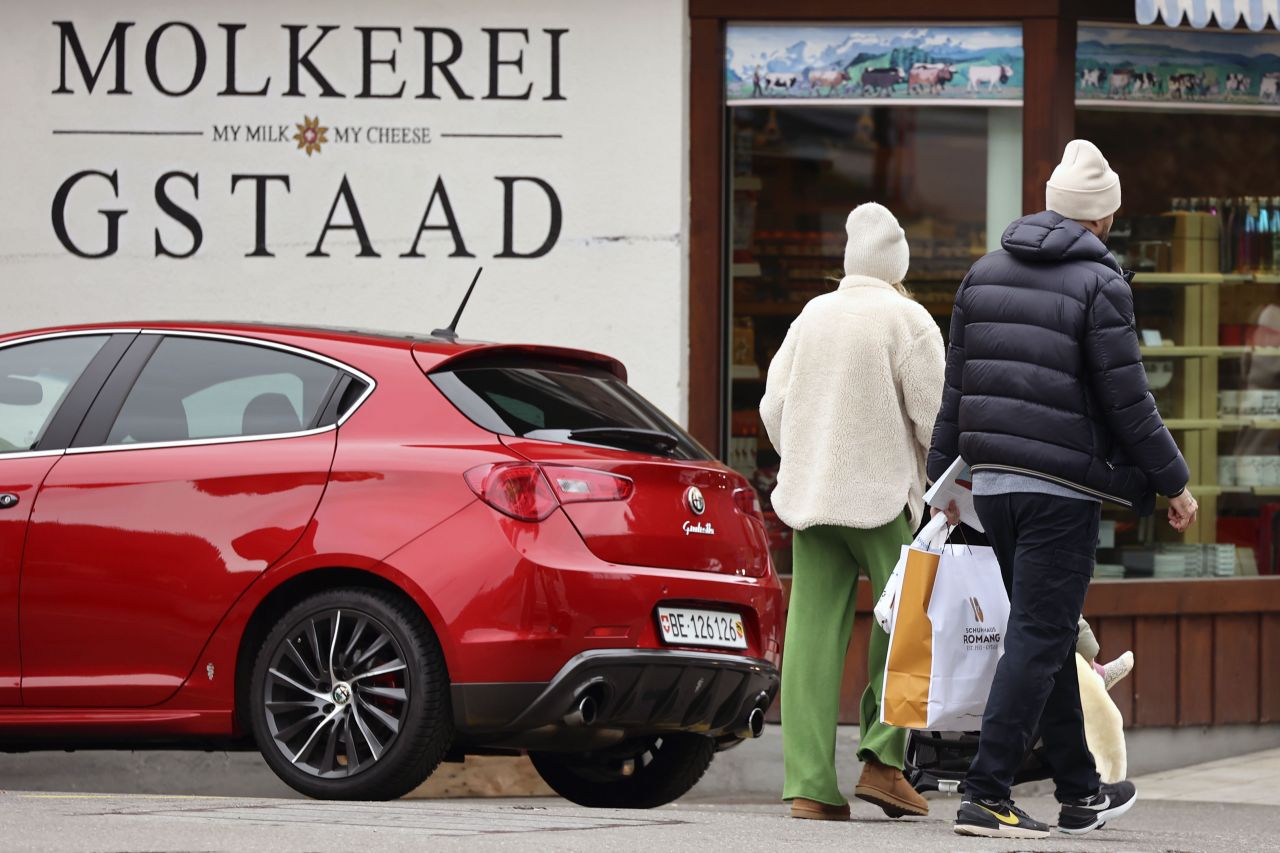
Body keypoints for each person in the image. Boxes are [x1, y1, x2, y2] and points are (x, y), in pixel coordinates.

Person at [929, 139, 1198, 839]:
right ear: (1102, 219)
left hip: (992, 489)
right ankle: (986, 788)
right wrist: (1171, 481)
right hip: (1060, 492)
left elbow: (955, 393)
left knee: (1040, 639)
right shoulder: (1101, 283)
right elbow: (1128, 401)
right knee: (1041, 635)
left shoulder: (982, 274)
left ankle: (1081, 790)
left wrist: (940, 480)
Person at [761, 202, 944, 821]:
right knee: (908, 622)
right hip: (885, 496)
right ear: (897, 264)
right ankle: (883, 762)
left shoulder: (811, 316)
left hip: (812, 498)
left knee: (811, 636)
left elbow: (772, 406)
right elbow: (936, 419)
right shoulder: (908, 319)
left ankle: (809, 784)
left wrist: (806, 455)